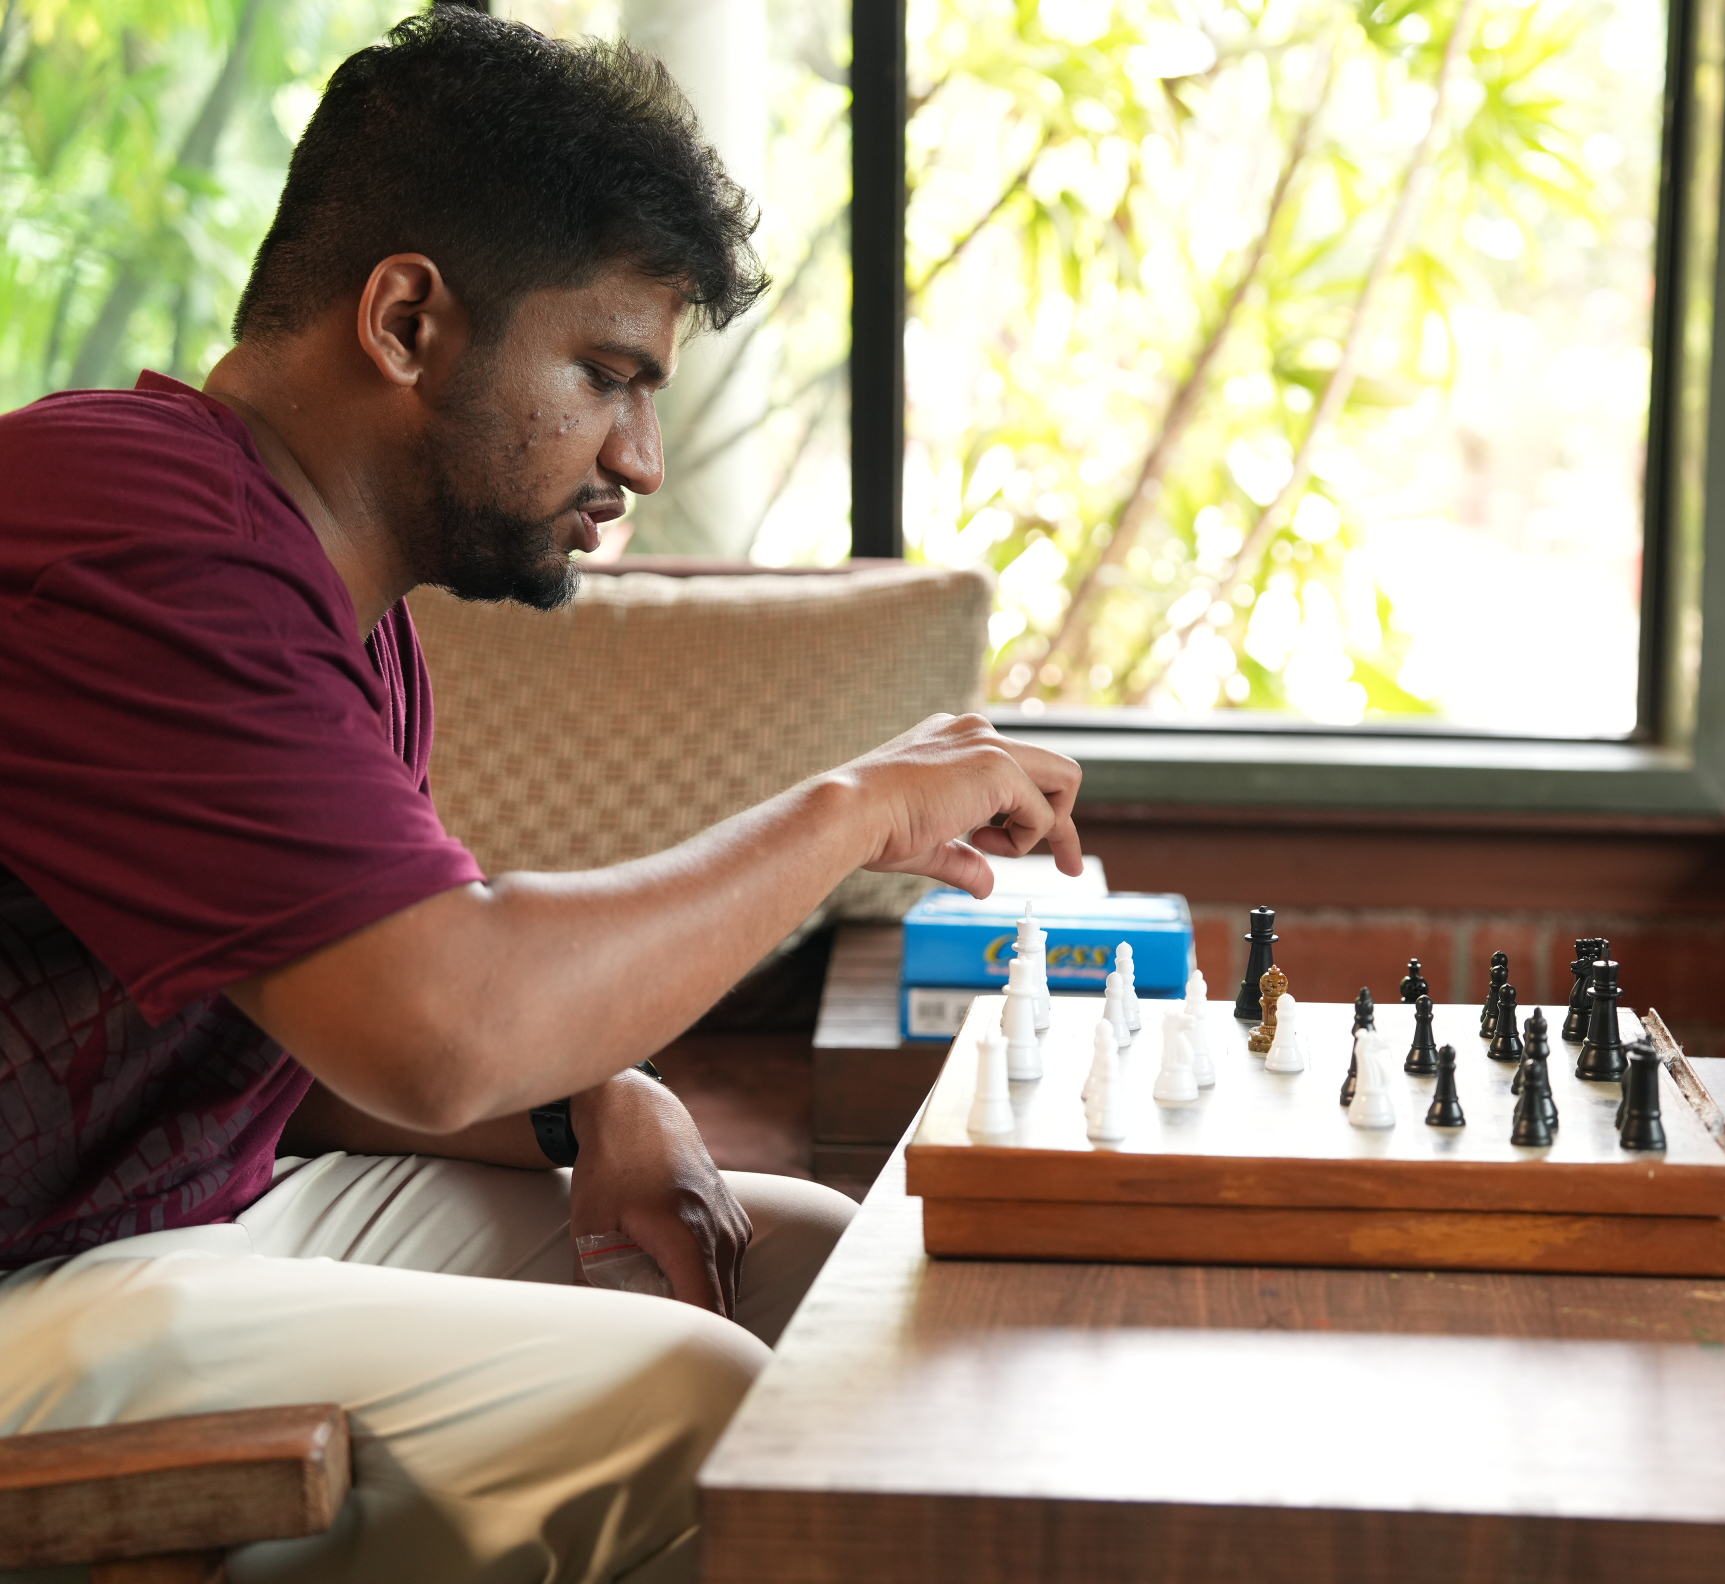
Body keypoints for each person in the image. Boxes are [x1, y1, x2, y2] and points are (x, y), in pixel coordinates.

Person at [0, 9, 1080, 1583]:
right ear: (408, 322)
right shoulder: (133, 536)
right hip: (34, 1281)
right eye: (608, 376)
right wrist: (854, 809)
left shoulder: (343, 608)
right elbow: (440, 1030)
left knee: (815, 1278)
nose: (641, 459)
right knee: (696, 1397)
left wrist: (587, 1096)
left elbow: (284, 1036)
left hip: (153, 1222)